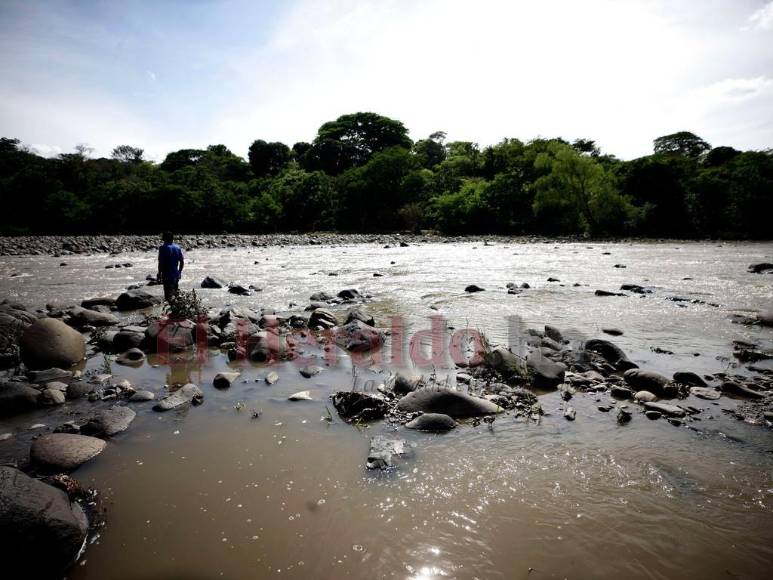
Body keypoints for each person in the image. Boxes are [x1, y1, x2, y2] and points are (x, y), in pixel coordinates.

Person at [157, 232, 184, 301]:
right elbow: (182, 261)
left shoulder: (162, 248)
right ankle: (177, 310)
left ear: (164, 239)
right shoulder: (177, 247)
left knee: (168, 296)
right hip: (175, 275)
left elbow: (161, 262)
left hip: (167, 275)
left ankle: (172, 310)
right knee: (175, 295)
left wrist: (159, 273)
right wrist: (179, 272)